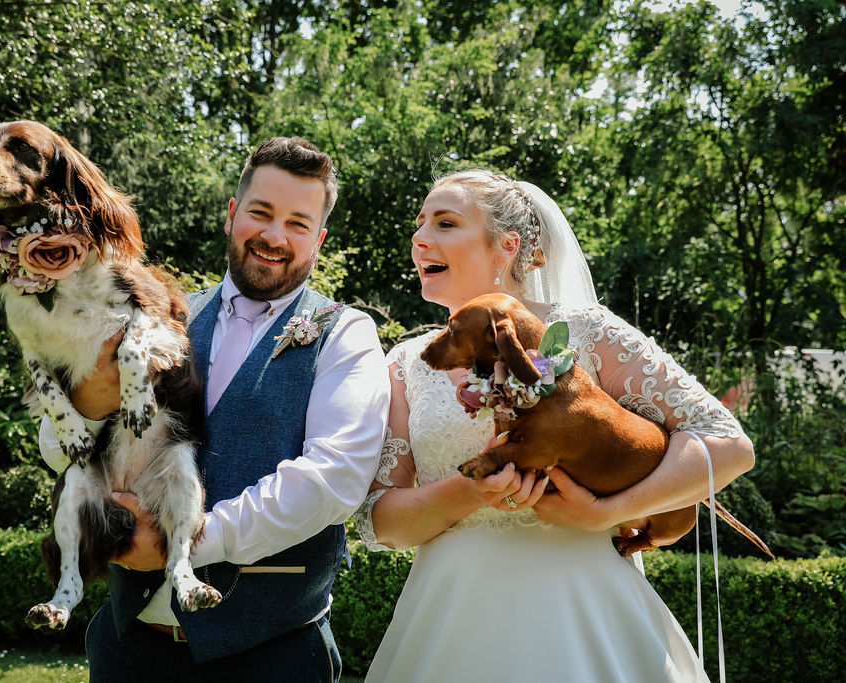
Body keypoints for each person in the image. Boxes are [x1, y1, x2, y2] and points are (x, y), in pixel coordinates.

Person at [355, 169, 755, 682]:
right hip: (450, 617)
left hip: (587, 608)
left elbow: (729, 445)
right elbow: (379, 521)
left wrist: (604, 511)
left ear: (507, 245)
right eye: (419, 224)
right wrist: (471, 490)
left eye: (445, 222)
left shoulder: (588, 333)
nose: (420, 237)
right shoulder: (407, 363)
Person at [39, 136, 390, 682]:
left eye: (298, 223)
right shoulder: (161, 312)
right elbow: (54, 441)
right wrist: (85, 412)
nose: (275, 236)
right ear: (232, 215)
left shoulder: (346, 334)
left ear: (319, 239)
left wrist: (188, 538)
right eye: (261, 213)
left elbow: (334, 478)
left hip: (272, 655)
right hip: (128, 647)